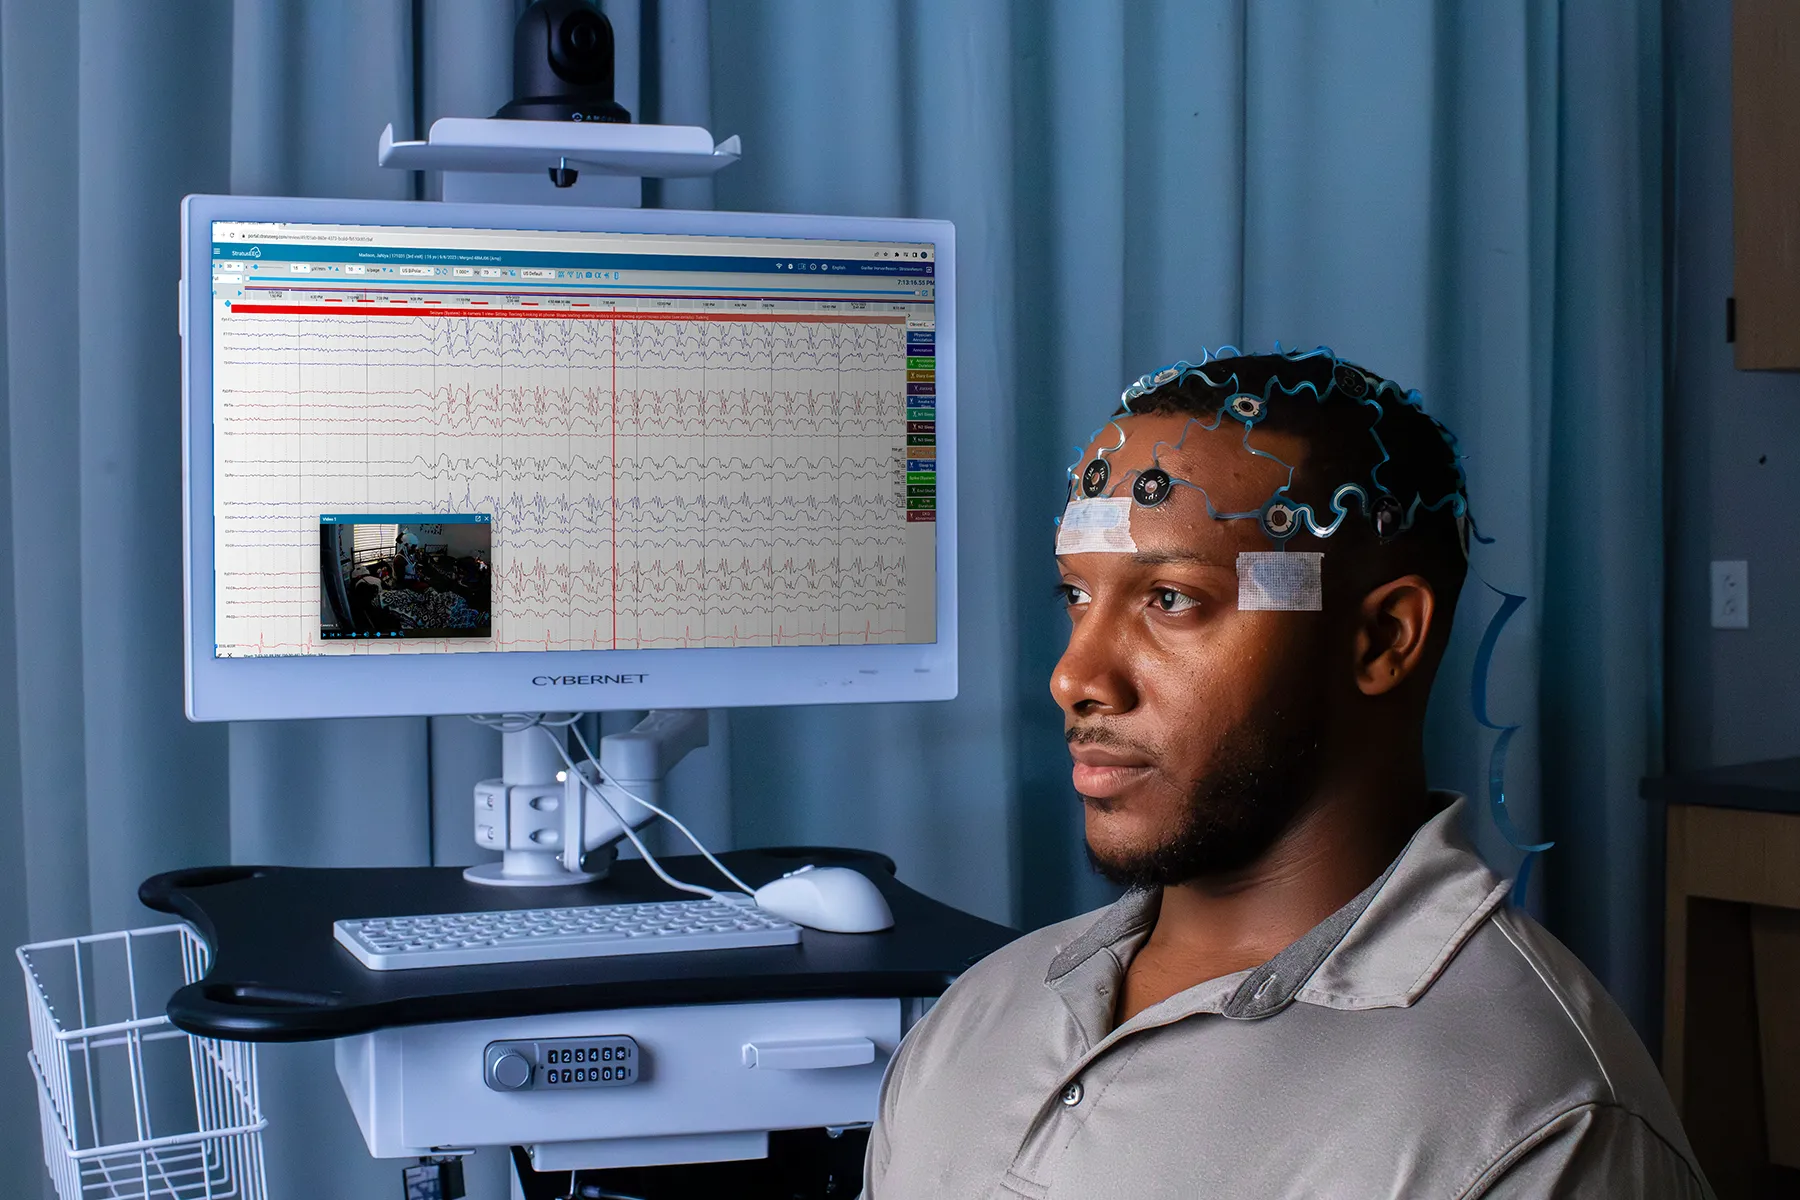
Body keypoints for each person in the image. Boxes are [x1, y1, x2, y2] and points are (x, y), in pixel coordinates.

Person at [861, 350, 1710, 1198]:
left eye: (1171, 600)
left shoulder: (1534, 1126)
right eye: (1076, 597)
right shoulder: (978, 1013)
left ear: (1382, 640)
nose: (1076, 678)